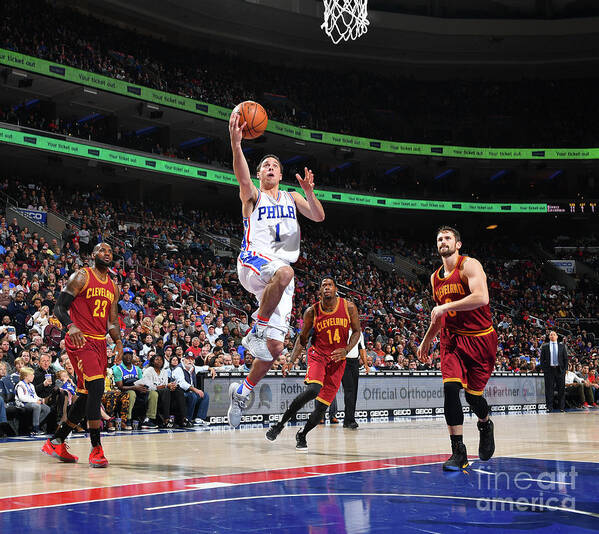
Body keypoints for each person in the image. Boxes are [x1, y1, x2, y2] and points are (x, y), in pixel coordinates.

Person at [227, 111, 325, 428]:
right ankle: (255, 330)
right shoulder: (253, 195)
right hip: (253, 262)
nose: (271, 168)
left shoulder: (291, 196)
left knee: (275, 348)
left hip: (279, 275)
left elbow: (319, 216)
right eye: (265, 166)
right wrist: (236, 143)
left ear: (280, 175)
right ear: (259, 174)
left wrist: (309, 190)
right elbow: (241, 177)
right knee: (285, 272)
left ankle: (241, 393)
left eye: (276, 166)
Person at [417, 226, 498, 471]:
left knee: (474, 398)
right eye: (439, 238)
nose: (443, 241)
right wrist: (426, 340)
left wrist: (442, 308)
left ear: (458, 244)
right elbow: (440, 317)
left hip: (480, 339)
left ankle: (485, 424)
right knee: (451, 389)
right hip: (451, 340)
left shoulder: (470, 265)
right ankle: (458, 451)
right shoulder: (434, 278)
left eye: (448, 238)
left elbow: (482, 297)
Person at [41, 243, 123, 467]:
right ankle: (96, 448)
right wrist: (70, 326)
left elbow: (112, 321)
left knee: (87, 395)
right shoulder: (81, 276)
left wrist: (118, 341)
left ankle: (57, 439)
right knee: (97, 387)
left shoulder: (113, 287)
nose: (107, 253)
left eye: (110, 251)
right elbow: (59, 307)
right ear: (94, 255)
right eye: (102, 250)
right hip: (79, 339)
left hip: (98, 343)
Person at [265, 277, 361, 450]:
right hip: (318, 355)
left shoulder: (349, 307)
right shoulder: (312, 312)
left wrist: (346, 350)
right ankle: (280, 424)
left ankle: (302, 434)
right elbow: (302, 339)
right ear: (320, 291)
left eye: (329, 285)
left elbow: (356, 331)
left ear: (335, 289)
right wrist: (291, 361)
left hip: (338, 361)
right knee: (313, 389)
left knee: (321, 409)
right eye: (323, 285)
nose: (326, 287)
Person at [341, 328, 370, 429]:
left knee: (354, 392)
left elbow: (362, 349)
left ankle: (348, 419)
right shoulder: (342, 330)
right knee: (349, 390)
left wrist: (366, 364)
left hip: (355, 363)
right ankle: (350, 420)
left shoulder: (359, 333)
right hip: (343, 362)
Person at [15, 366, 51, 436]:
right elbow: (22, 398)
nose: (33, 376)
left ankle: (32, 425)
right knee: (36, 406)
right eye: (31, 375)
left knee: (47, 408)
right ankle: (35, 429)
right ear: (25, 376)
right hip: (22, 404)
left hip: (32, 402)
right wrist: (35, 401)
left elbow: (34, 396)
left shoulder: (31, 385)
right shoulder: (20, 385)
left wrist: (40, 399)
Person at [539, 331, 568, 412]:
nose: (552, 336)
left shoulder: (562, 346)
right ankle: (549, 407)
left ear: (557, 336)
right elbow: (542, 359)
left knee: (561, 390)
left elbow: (565, 359)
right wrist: (544, 369)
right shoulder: (545, 346)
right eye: (551, 335)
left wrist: (564, 369)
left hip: (560, 370)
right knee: (549, 389)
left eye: (554, 334)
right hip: (549, 370)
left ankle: (562, 407)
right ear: (549, 337)